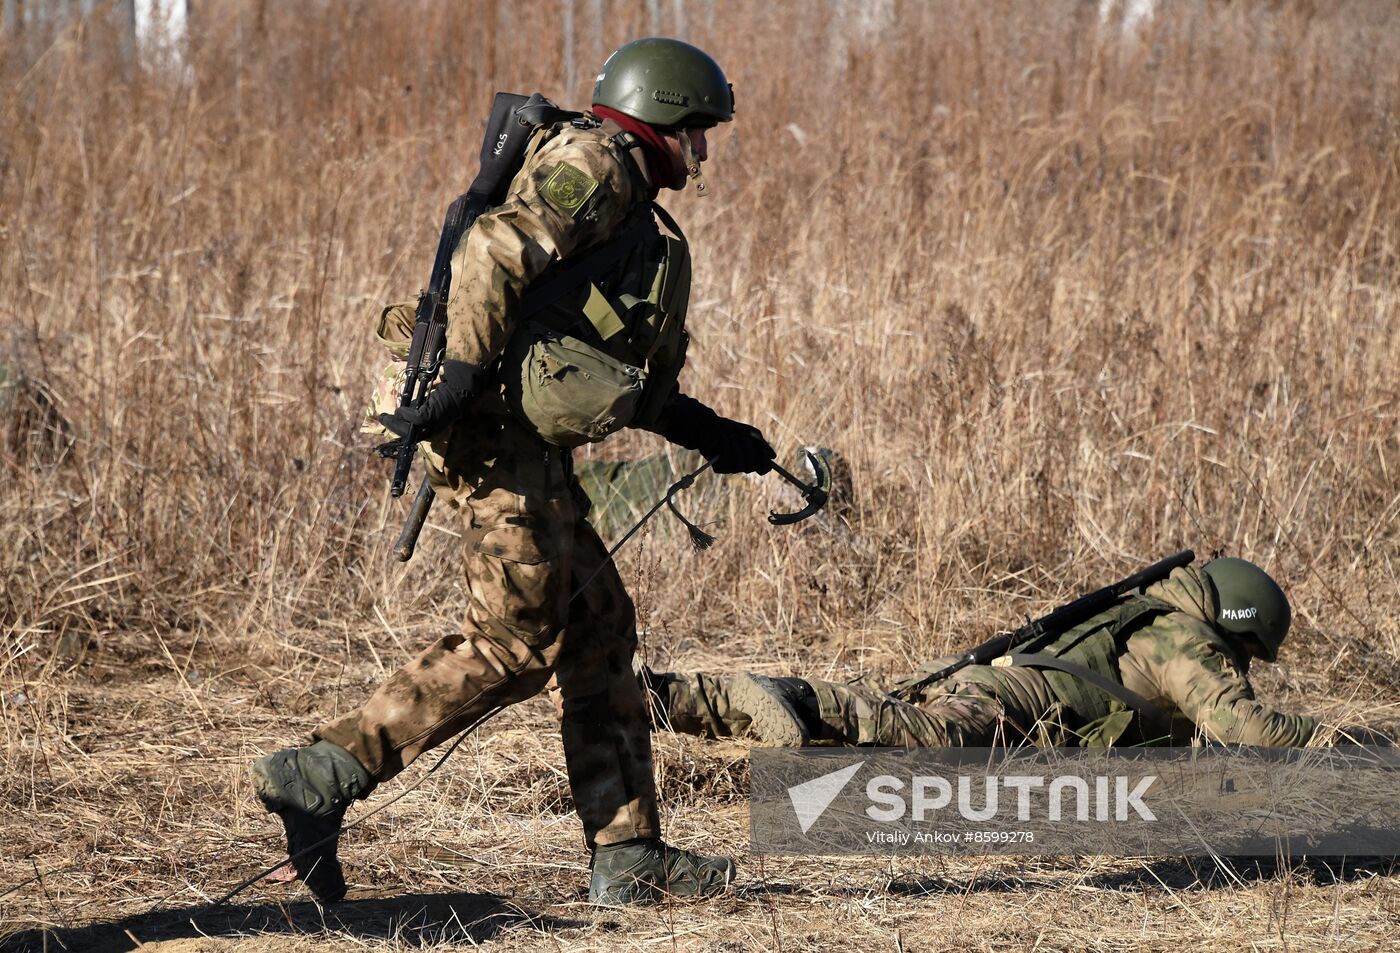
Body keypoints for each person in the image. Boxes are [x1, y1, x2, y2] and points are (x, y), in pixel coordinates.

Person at [252, 37, 776, 906]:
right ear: (660, 117)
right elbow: (496, 250)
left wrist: (705, 428)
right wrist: (459, 375)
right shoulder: (597, 164)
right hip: (494, 435)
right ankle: (321, 770)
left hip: (518, 436)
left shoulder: (628, 192)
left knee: (600, 624)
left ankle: (628, 854)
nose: (705, 151)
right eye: (698, 130)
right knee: (514, 637)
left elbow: (579, 343)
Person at [642, 557, 1386, 749]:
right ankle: (783, 696)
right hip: (1027, 702)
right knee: (929, 737)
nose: (1243, 669)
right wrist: (1336, 740)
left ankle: (665, 697)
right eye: (1247, 655)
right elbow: (1244, 728)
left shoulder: (1157, 618)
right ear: (1237, 628)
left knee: (896, 717)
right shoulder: (1181, 636)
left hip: (1023, 696)